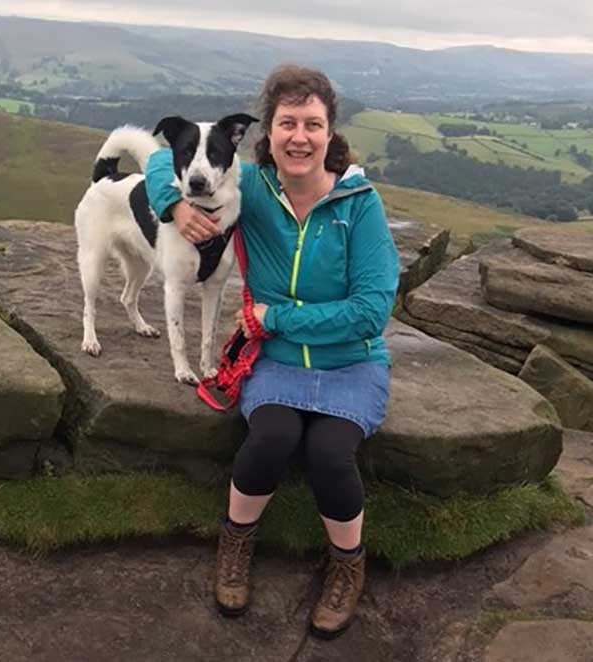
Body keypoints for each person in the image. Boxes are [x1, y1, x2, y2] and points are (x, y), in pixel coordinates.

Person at [145, 65, 399, 639]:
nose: (299, 136)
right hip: (277, 359)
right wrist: (173, 206)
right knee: (274, 436)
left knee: (332, 452)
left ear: (330, 132)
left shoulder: (360, 203)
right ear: (271, 133)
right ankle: (234, 547)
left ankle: (346, 566)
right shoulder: (254, 187)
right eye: (288, 122)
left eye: (313, 123)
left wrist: (277, 316)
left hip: (350, 361)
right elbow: (167, 158)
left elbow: (370, 312)